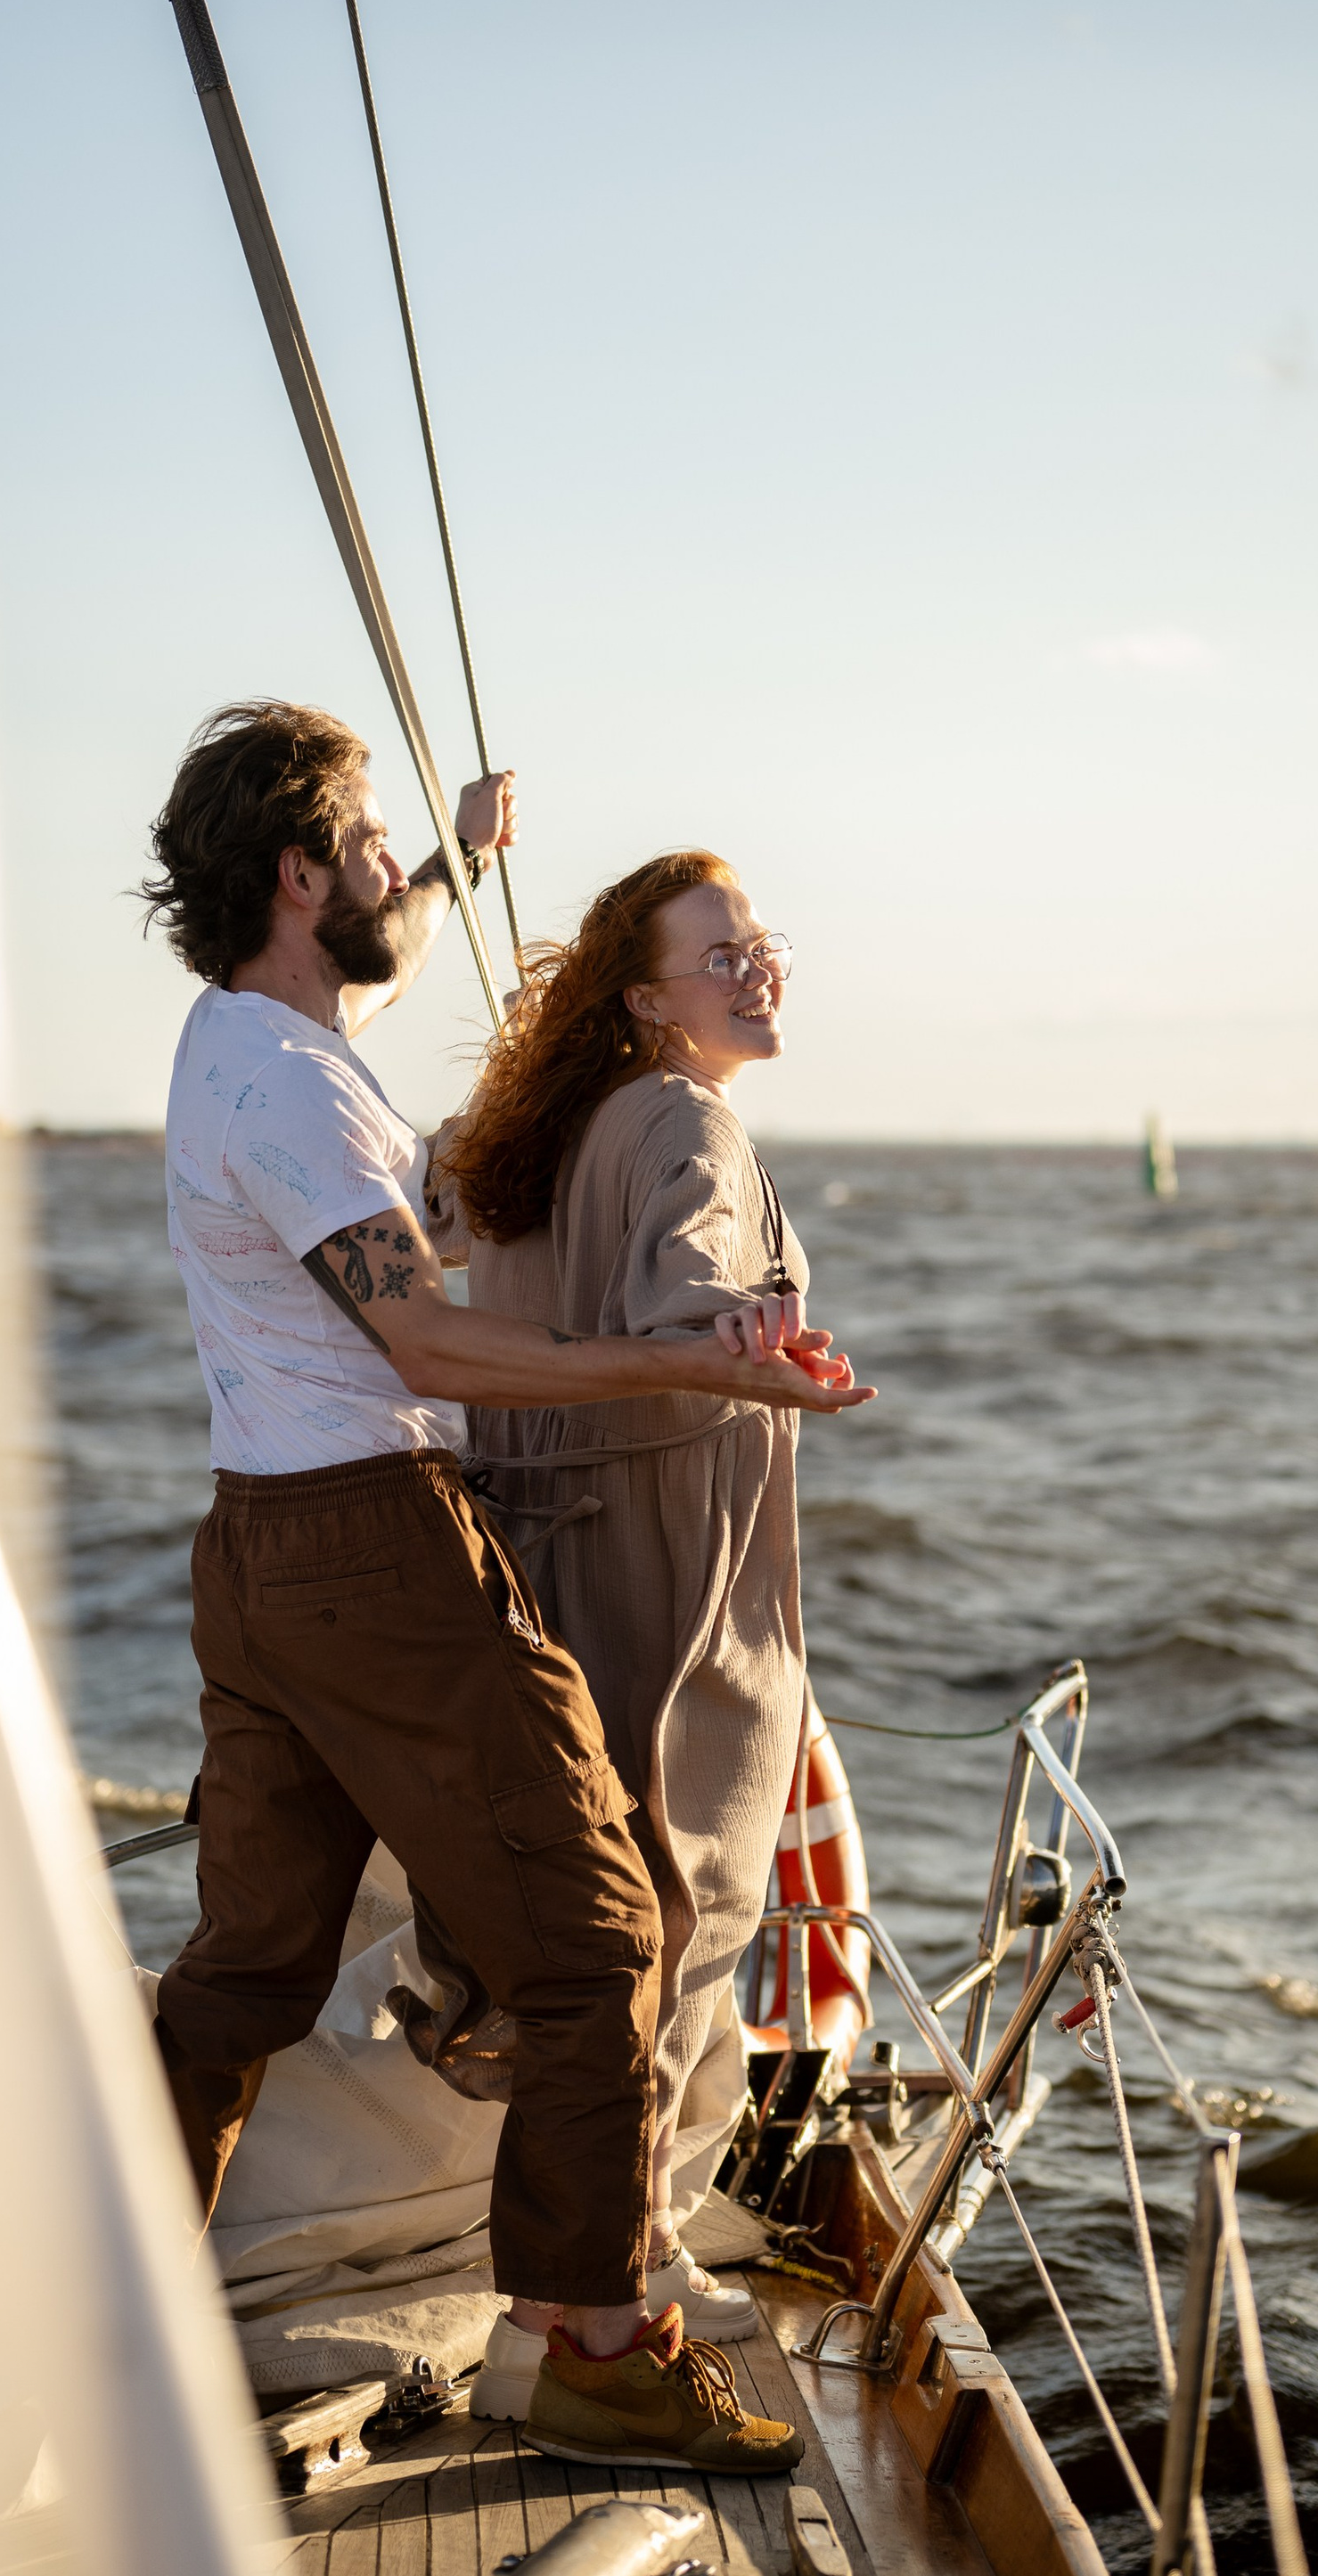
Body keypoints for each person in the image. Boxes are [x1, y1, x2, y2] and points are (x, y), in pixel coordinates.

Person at [138, 702, 873, 2477]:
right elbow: (419, 1328)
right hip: (371, 1546)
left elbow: (358, 1016)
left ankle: (115, 2306)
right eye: (375, 843)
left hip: (252, 1550)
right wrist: (693, 1368)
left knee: (246, 1967)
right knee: (602, 1935)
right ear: (304, 876)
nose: (398, 867)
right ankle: (593, 2343)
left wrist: (462, 852)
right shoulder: (292, 1091)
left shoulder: (238, 1037)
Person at [430, 851, 838, 2419]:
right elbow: (688, 1294)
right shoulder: (684, 1122)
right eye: (720, 954)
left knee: (598, 1916)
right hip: (662, 1565)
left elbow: (434, 1215)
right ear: (645, 999)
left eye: (761, 945)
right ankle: (624, 2264)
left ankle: (612, 2249)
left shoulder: (533, 1130)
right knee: (682, 1896)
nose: (758, 970)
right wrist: (738, 1337)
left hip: (527, 1554)